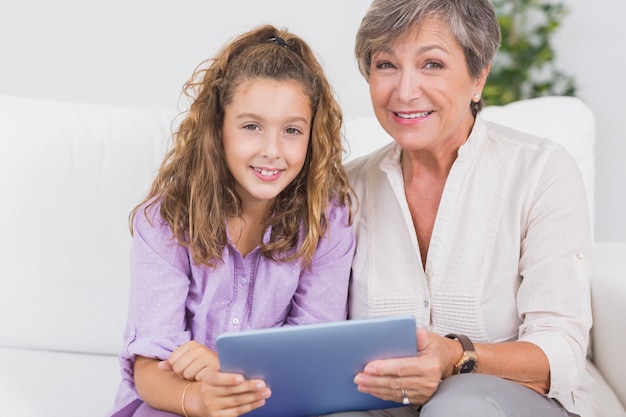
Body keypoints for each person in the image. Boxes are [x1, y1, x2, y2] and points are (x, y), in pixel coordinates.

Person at [328, 0, 600, 416]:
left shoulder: (541, 170)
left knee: (457, 405)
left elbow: (559, 350)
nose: (404, 90)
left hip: (507, 403)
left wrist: (456, 357)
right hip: (385, 405)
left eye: (432, 64)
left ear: (479, 75)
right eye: (386, 65)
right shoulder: (344, 189)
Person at [108, 24, 355, 417]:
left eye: (292, 130)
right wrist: (201, 399)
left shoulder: (327, 225)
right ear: (218, 127)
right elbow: (149, 368)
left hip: (277, 404)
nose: (272, 151)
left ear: (312, 138)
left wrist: (228, 368)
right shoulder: (166, 221)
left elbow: (315, 355)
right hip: (176, 403)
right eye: (251, 126)